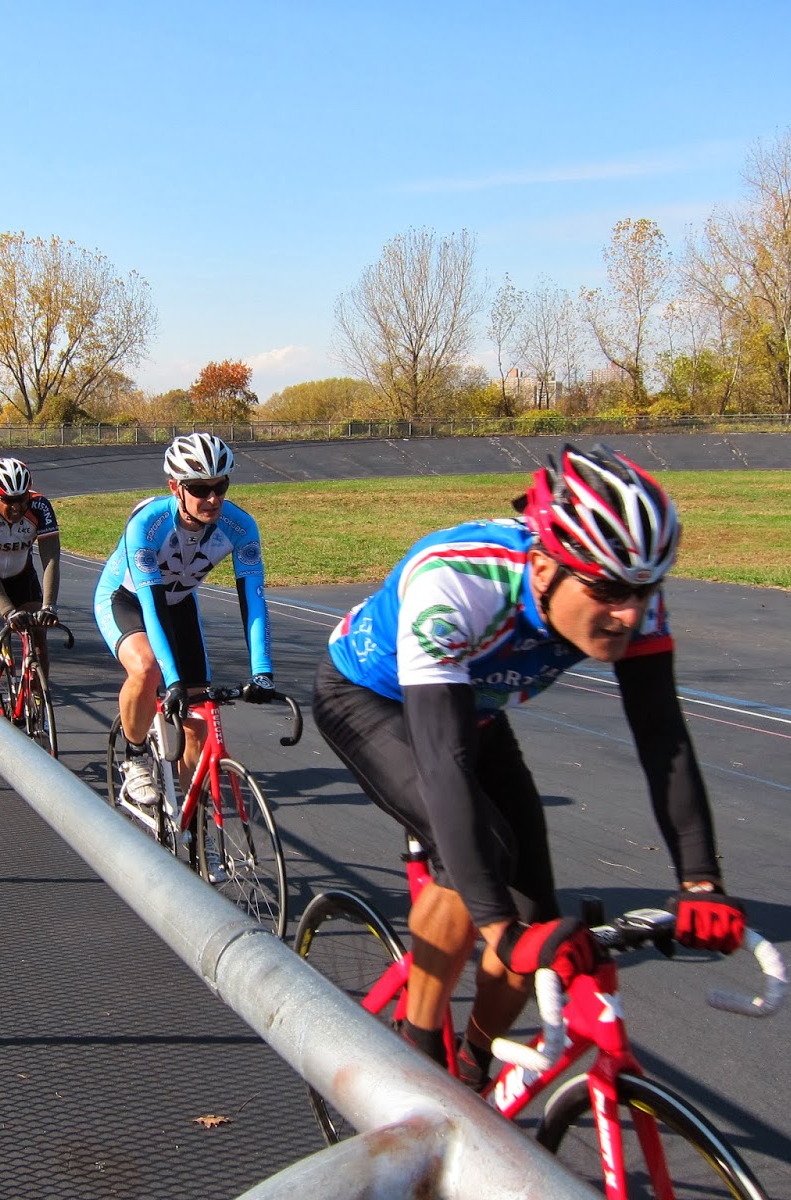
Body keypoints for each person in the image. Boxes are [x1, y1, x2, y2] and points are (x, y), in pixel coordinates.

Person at [312, 443, 747, 1090]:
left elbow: (664, 739)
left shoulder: (631, 596)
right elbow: (443, 764)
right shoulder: (458, 584)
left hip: (473, 707)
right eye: (607, 590)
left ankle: (476, 1072)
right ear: (543, 566)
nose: (629, 612)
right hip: (373, 697)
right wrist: (495, 928)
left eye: (643, 590)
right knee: (482, 855)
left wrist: (702, 882)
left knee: (538, 924)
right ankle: (415, 1064)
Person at [93, 432, 277, 808]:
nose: (212, 499)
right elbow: (151, 603)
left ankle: (195, 828)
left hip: (179, 604)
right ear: (175, 487)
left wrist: (263, 671)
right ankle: (135, 754)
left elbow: (254, 601)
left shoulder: (241, 527)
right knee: (147, 669)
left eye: (220, 486)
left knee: (198, 723)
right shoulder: (146, 524)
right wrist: (172, 679)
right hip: (127, 599)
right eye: (199, 488)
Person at [0, 457, 62, 705]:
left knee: (38, 633)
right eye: (8, 501)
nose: (17, 507)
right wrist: (7, 611)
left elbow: (51, 559)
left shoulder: (40, 506)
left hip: (21, 571)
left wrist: (48, 605)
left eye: (21, 499)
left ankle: (39, 701)